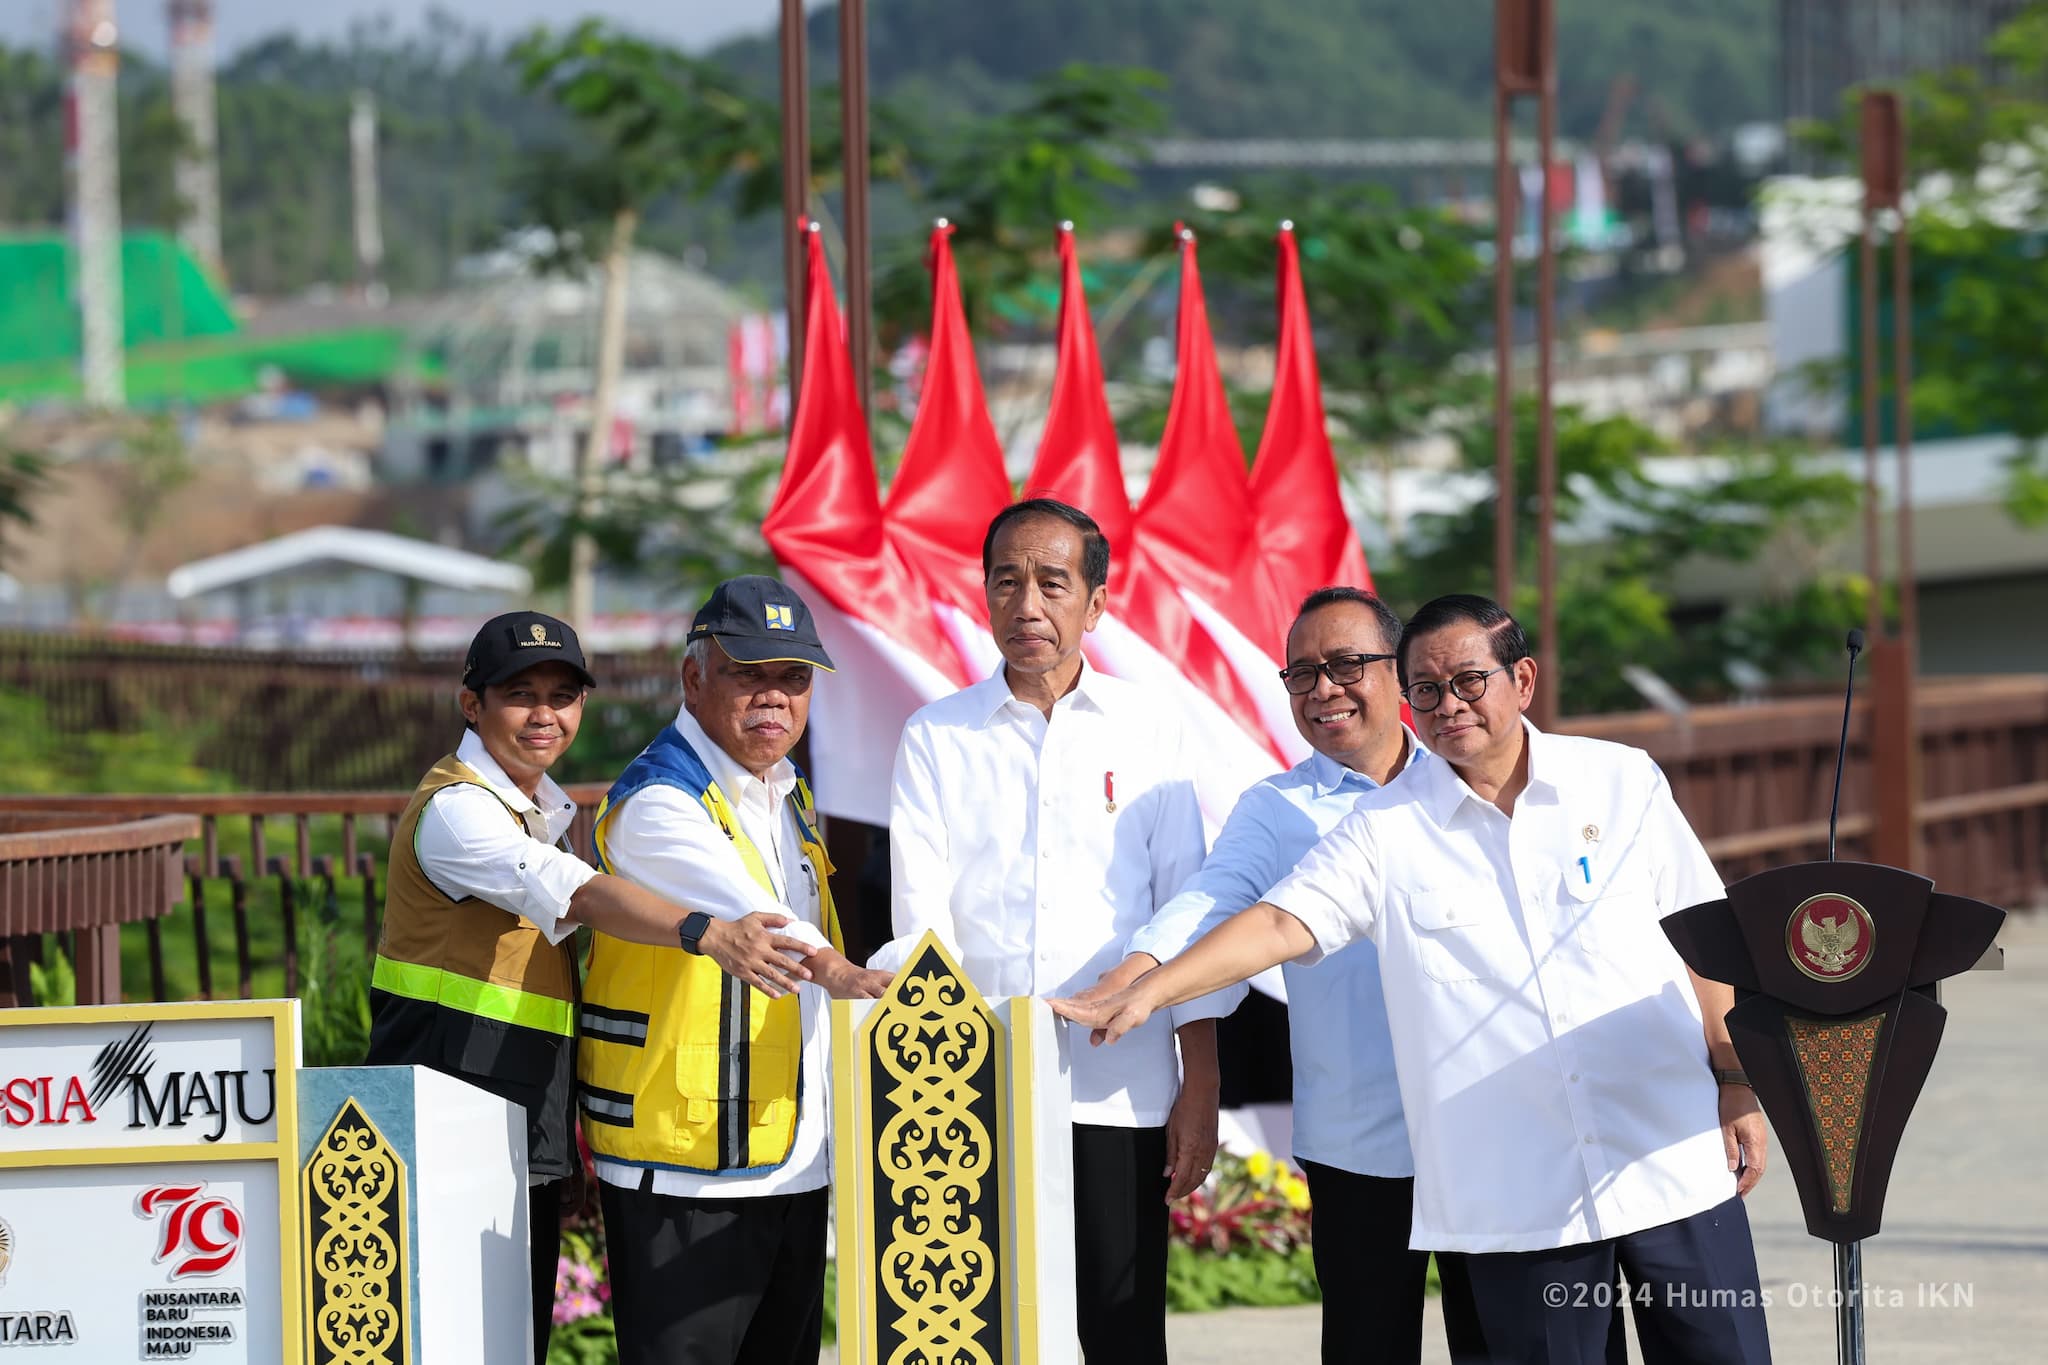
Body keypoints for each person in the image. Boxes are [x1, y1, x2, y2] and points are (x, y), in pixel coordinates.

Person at [1053, 594, 1773, 1365]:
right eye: (1427, 689)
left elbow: (1702, 937)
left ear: (1519, 680)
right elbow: (1259, 917)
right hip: (1472, 1168)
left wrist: (1736, 1078)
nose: (1447, 704)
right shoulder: (1371, 827)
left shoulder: (1618, 780)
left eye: (1467, 682)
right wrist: (1148, 982)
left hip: (1644, 1144)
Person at [872, 497, 1244, 1365]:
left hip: (1121, 1085)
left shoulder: (1150, 727)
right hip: (973, 1086)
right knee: (987, 1329)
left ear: (1097, 602)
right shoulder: (937, 735)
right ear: (985, 596)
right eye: (1007, 581)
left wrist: (1201, 1080)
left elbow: (1188, 912)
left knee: (1121, 1327)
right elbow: (918, 923)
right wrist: (947, 1070)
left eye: (1052, 582)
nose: (1028, 605)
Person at [1072, 585, 1484, 1365]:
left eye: (1347, 665)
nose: (1324, 688)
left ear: (1399, 674)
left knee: (1508, 1341)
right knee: (1366, 1345)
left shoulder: (1466, 777)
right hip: (1357, 1136)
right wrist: (1134, 975)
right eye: (1302, 674)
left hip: (1479, 1116)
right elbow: (1211, 900)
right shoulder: (1278, 807)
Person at [369, 610, 770, 1364]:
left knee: (512, 1340)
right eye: (521, 694)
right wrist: (707, 930)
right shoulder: (458, 811)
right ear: (471, 704)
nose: (546, 714)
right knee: (456, 1343)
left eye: (564, 694)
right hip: (444, 1123)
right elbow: (577, 893)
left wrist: (565, 1144)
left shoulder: (537, 810)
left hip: (510, 1124)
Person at [577, 575, 893, 1365]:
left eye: (793, 678)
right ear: (694, 678)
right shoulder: (658, 799)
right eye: (749, 674)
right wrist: (842, 971)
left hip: (787, 1152)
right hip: (685, 1165)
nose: (775, 698)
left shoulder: (785, 793)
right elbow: (768, 924)